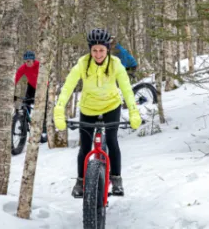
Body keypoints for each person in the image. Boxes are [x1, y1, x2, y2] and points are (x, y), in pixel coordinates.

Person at [53, 28, 142, 198]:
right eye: (94, 50)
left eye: (101, 50)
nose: (98, 54)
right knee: (85, 146)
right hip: (88, 108)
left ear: (107, 49)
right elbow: (67, 88)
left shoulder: (116, 64)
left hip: (111, 106)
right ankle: (80, 181)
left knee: (112, 140)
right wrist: (59, 109)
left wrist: (133, 111)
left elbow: (126, 90)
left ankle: (116, 178)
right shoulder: (82, 63)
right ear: (90, 50)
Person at [15, 50, 47, 143]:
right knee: (25, 103)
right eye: (25, 61)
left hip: (43, 86)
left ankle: (44, 126)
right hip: (32, 86)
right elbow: (16, 77)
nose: (27, 63)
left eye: (29, 61)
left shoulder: (39, 65)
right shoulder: (23, 68)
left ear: (33, 60)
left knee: (43, 107)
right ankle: (24, 122)